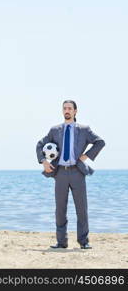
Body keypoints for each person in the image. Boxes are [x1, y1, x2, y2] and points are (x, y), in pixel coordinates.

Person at [36, 100, 105, 249]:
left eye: (69, 108)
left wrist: (86, 156)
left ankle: (84, 242)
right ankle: (61, 242)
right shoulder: (54, 130)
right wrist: (44, 161)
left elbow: (100, 142)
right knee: (60, 209)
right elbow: (40, 144)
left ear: (75, 111)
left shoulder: (84, 129)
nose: (67, 111)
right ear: (62, 111)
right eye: (64, 108)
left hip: (77, 172)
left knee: (81, 209)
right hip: (60, 173)